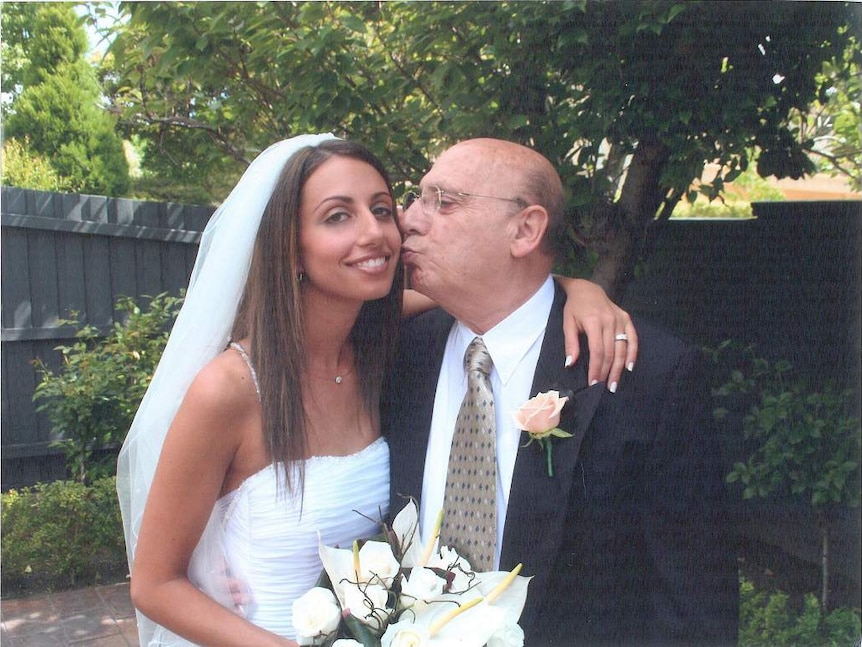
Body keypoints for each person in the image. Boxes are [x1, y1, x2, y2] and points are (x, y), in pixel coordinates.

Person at [117, 134, 638, 646]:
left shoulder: (385, 348)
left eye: (383, 210)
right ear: (290, 248)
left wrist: (581, 290)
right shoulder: (228, 390)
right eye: (338, 216)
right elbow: (154, 584)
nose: (379, 232)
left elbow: (511, 295)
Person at [384, 138, 740, 646]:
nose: (409, 220)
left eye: (442, 200)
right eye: (417, 198)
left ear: (525, 229)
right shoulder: (396, 356)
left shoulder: (648, 375)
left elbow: (694, 601)